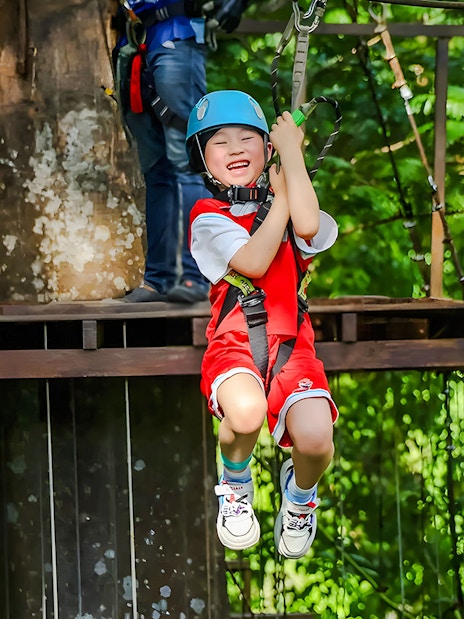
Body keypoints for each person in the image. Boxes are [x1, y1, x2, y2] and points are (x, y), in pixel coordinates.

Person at [185, 90, 339, 558]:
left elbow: (309, 227)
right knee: (246, 412)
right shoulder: (208, 218)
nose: (234, 149)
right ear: (204, 160)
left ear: (267, 149)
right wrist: (279, 201)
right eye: (219, 142)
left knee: (315, 438)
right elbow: (252, 261)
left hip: (293, 347)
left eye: (247, 138)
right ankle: (234, 484)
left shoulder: (292, 198)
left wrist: (293, 156)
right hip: (234, 345)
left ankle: (299, 498)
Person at [112, 0, 211, 303]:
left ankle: (198, 278)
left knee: (187, 163)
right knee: (156, 171)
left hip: (175, 35)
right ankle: (158, 280)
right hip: (133, 44)